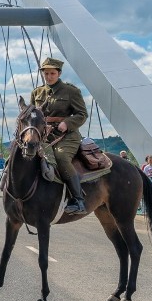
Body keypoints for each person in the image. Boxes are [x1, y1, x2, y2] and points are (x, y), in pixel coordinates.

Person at [30, 57, 88, 214]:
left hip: (66, 136)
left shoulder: (71, 91)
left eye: (52, 73)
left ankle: (78, 201)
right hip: (43, 136)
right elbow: (32, 115)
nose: (48, 77)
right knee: (23, 153)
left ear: (59, 73)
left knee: (61, 157)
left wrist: (67, 123)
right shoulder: (37, 92)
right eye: (46, 73)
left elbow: (82, 114)